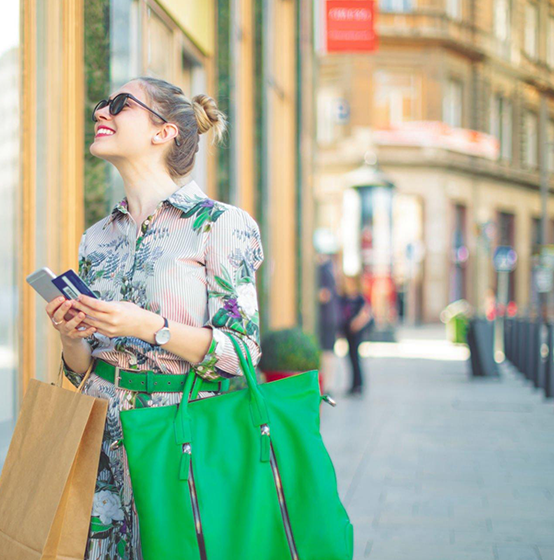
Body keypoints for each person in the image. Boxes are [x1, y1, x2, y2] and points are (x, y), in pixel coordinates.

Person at [45, 77, 264, 560]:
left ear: (163, 132)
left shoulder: (219, 225)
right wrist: (70, 336)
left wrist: (148, 325)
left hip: (179, 435)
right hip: (98, 442)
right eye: (102, 102)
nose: (101, 111)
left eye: (119, 104)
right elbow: (84, 368)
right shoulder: (97, 238)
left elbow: (242, 351)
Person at [338, 274, 372, 395]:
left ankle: (358, 385)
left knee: (355, 358)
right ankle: (353, 385)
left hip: (357, 332)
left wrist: (356, 324)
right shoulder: (344, 297)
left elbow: (366, 314)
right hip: (348, 332)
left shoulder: (360, 299)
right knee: (350, 358)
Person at [316, 251, 340, 395]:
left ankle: (327, 385)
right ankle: (328, 385)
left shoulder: (323, 270)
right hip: (331, 317)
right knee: (329, 352)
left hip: (326, 318)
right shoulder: (329, 269)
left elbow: (325, 295)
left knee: (327, 353)